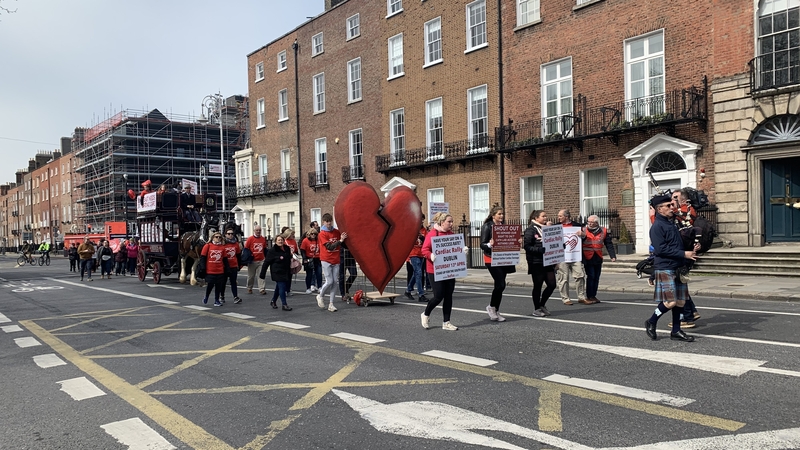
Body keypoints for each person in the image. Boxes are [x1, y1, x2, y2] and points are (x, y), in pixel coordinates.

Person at [645, 194, 699, 342]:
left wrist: (692, 247)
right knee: (670, 302)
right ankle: (651, 321)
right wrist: (684, 254)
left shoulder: (673, 223)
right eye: (668, 206)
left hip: (679, 266)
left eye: (671, 204)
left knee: (681, 301)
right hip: (665, 267)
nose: (671, 207)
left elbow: (678, 242)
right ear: (659, 209)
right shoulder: (657, 227)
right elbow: (661, 249)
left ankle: (676, 331)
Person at [420, 212, 461, 331]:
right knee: (438, 296)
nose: (451, 224)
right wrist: (431, 255)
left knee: (448, 296)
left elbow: (455, 249)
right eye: (449, 222)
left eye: (452, 221)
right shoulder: (432, 234)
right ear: (442, 222)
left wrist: (462, 250)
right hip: (434, 270)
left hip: (449, 269)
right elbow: (424, 249)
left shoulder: (451, 234)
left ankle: (446, 322)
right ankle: (426, 314)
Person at [480, 206, 516, 322]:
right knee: (501, 284)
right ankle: (491, 307)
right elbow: (482, 244)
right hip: (491, 259)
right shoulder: (487, 226)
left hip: (502, 258)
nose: (502, 216)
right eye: (499, 214)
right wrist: (489, 244)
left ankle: (495, 309)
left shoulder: (503, 226)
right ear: (493, 215)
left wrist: (516, 241)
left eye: (502, 214)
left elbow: (507, 240)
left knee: (499, 286)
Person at [524, 210, 557, 317]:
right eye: (543, 216)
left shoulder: (547, 229)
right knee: (538, 286)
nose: (545, 218)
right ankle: (536, 309)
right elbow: (527, 246)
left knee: (552, 284)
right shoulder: (531, 230)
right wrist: (539, 250)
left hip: (548, 261)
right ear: (536, 218)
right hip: (536, 262)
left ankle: (542, 304)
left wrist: (560, 246)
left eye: (546, 216)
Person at [555, 209, 590, 305]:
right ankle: (565, 298)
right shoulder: (556, 227)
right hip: (562, 257)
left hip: (575, 256)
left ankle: (581, 297)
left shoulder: (577, 226)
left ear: (566, 217)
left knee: (580, 276)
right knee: (563, 278)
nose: (558, 217)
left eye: (560, 216)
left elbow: (584, 239)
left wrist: (583, 235)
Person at [582, 215, 616, 303]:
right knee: (591, 276)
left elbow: (608, 244)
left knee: (596, 277)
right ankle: (589, 295)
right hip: (587, 257)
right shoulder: (583, 230)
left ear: (596, 223)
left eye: (591, 222)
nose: (589, 224)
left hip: (598, 256)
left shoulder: (603, 231)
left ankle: (593, 295)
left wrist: (612, 256)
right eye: (588, 222)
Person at [317, 213, 347, 312]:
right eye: (327, 222)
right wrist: (340, 241)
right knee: (329, 281)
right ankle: (320, 296)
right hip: (326, 259)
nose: (329, 223)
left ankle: (331, 304)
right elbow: (329, 247)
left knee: (335, 282)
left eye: (330, 221)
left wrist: (343, 239)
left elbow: (343, 241)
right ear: (323, 222)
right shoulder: (322, 234)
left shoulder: (336, 232)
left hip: (336, 259)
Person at [260, 235, 293, 311]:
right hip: (277, 272)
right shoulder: (272, 251)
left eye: (281, 240)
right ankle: (284, 304)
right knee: (282, 287)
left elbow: (289, 258)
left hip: (286, 271)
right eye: (279, 240)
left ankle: (273, 301)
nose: (280, 241)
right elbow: (266, 262)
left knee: (279, 287)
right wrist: (262, 273)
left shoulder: (287, 248)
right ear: (275, 241)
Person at [404, 215, 428, 302]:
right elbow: (406, 245)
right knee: (419, 273)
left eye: (422, 220)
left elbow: (427, 242)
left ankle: (408, 290)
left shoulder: (424, 231)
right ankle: (421, 294)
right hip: (413, 254)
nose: (422, 221)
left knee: (416, 273)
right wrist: (407, 258)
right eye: (420, 219)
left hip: (421, 254)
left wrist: (423, 238)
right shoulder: (411, 230)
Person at [201, 232, 227, 307]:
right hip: (210, 270)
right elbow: (203, 257)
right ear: (213, 238)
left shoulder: (222, 247)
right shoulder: (207, 246)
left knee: (218, 286)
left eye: (219, 237)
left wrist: (227, 269)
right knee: (210, 285)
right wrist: (203, 267)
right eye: (216, 237)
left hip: (220, 270)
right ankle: (206, 296)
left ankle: (216, 300)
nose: (218, 238)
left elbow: (225, 259)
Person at [220, 228, 242, 304]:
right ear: (225, 235)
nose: (230, 235)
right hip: (225, 266)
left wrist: (239, 265)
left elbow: (238, 255)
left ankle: (235, 297)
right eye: (228, 234)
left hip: (233, 265)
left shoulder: (236, 244)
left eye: (232, 234)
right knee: (223, 282)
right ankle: (222, 296)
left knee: (233, 282)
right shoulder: (223, 243)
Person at [244, 225, 268, 295]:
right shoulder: (250, 239)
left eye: (259, 230)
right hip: (252, 260)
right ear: (254, 231)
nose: (258, 231)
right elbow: (246, 249)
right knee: (251, 276)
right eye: (257, 230)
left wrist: (267, 258)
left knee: (261, 275)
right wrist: (248, 257)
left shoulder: (263, 239)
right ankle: (249, 287)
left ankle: (262, 289)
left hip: (261, 260)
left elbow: (264, 249)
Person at [300, 228, 322, 294]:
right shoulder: (305, 241)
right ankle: (308, 288)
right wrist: (304, 259)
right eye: (312, 234)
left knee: (319, 273)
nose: (313, 235)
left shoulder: (318, 240)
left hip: (317, 259)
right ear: (309, 234)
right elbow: (303, 250)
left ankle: (320, 287)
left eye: (315, 234)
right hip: (309, 258)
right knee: (309, 274)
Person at [281, 228, 300, 296]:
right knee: (285, 276)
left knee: (290, 276)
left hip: (292, 260)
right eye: (292, 234)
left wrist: (296, 256)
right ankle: (284, 289)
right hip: (285, 260)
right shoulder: (284, 241)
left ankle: (288, 289)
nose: (293, 235)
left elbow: (296, 250)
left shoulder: (293, 241)